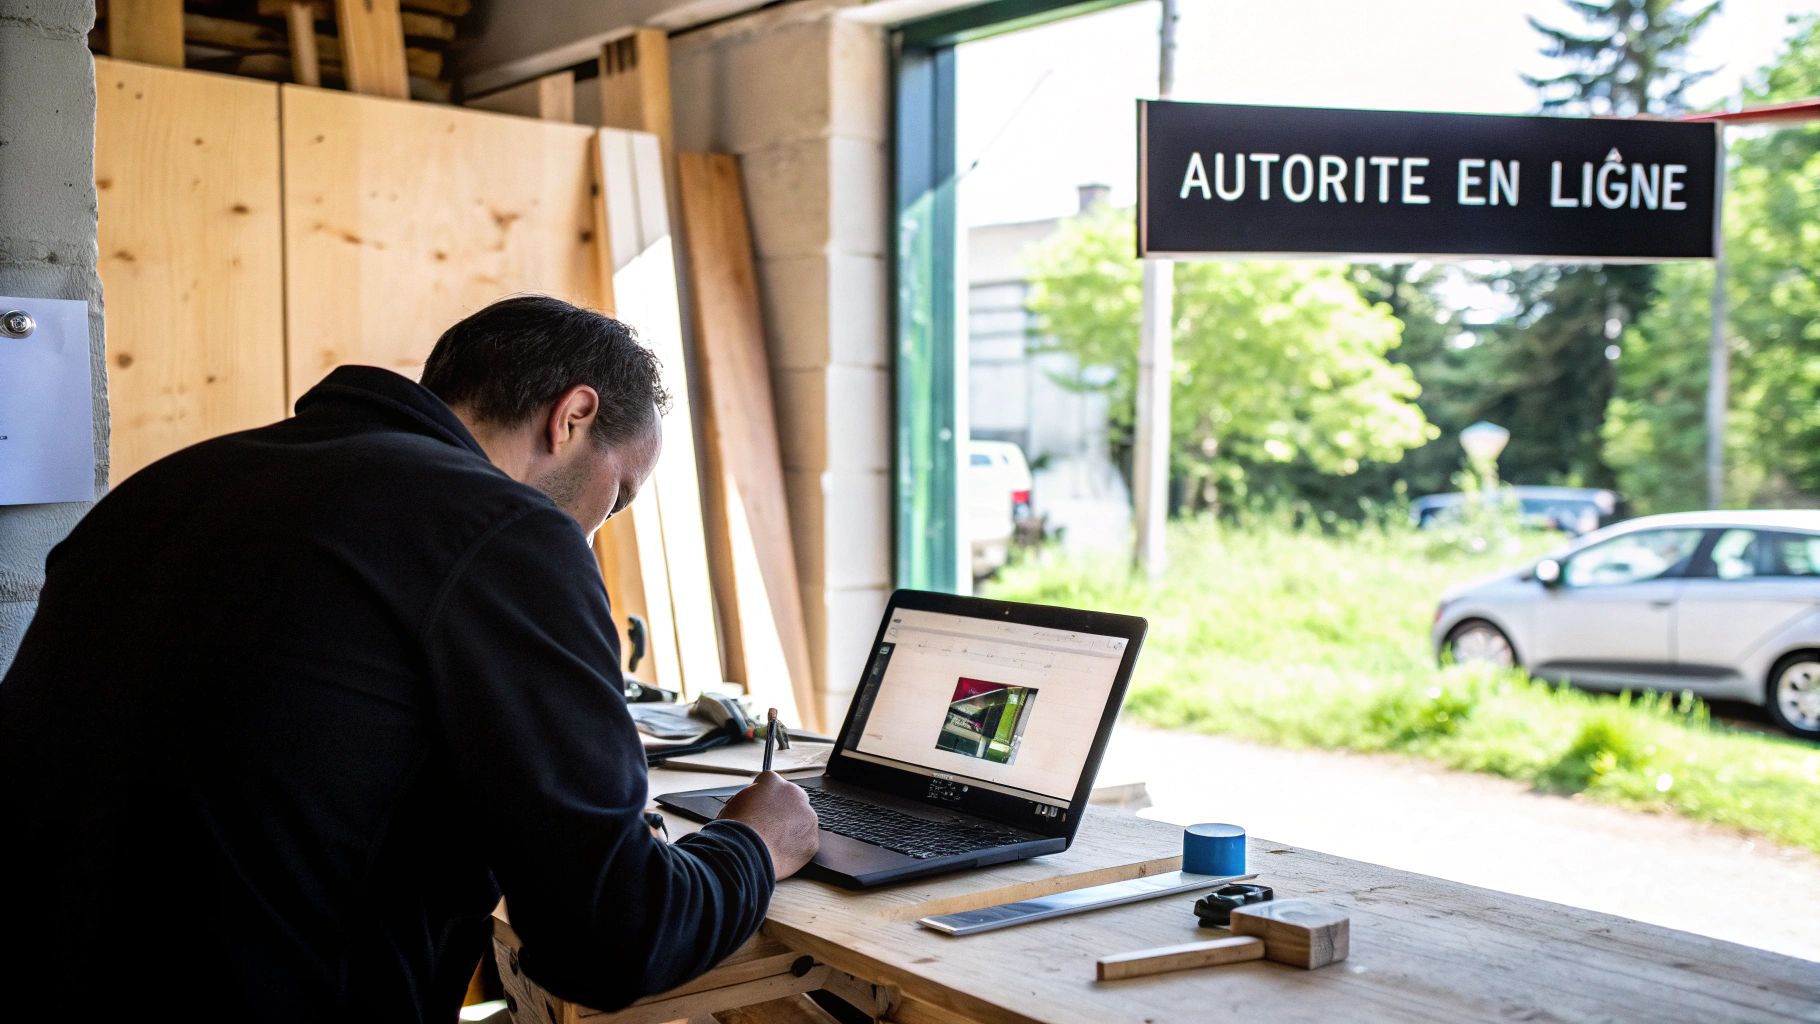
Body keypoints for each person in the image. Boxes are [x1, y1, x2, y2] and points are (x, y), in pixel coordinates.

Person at [0, 295, 819, 1022]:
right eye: (622, 493)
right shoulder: (503, 529)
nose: (600, 529)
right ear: (571, 417)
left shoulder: (170, 486)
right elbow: (612, 940)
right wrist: (754, 842)